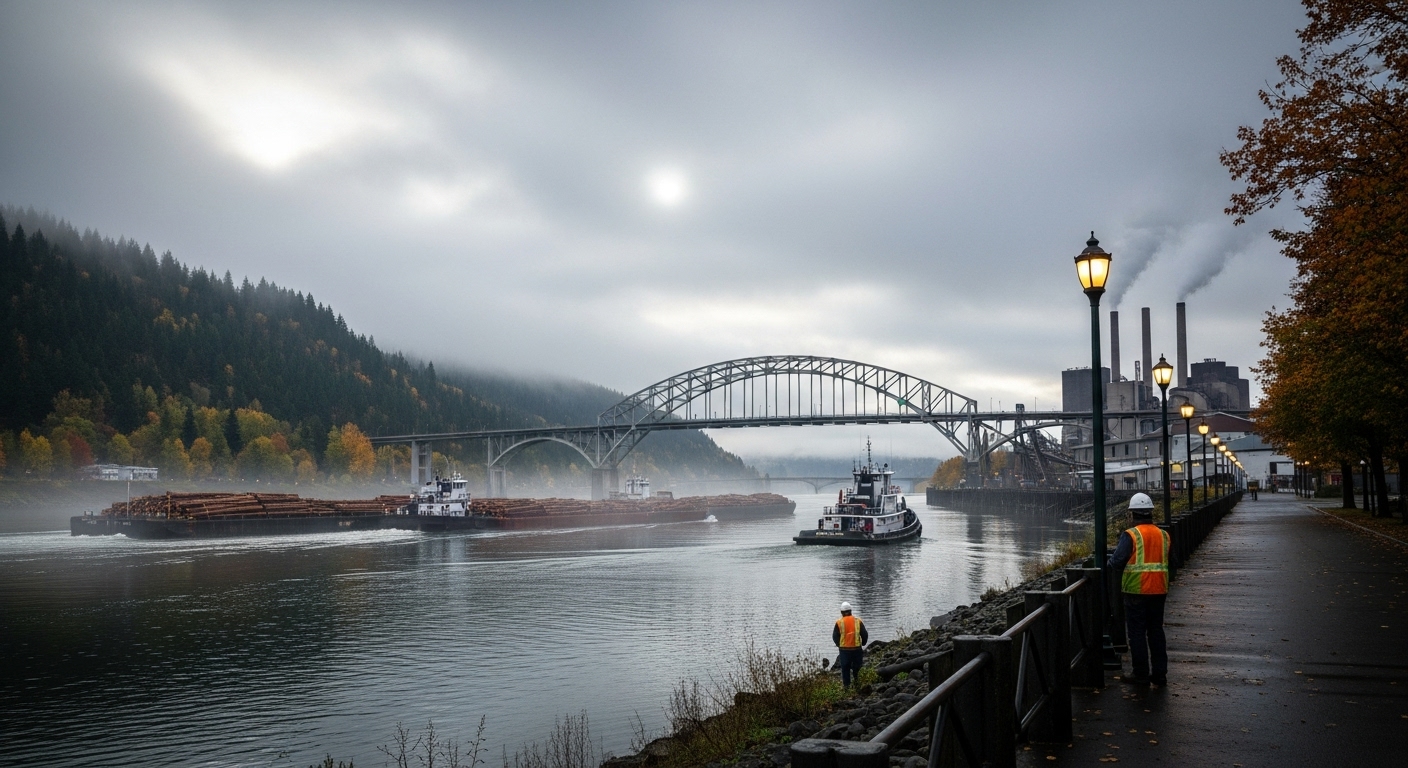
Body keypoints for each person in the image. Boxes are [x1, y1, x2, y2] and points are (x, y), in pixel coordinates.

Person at [1109, 493, 1171, 687]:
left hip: (1136, 590)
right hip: (1159, 590)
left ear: (1131, 514)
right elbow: (1173, 561)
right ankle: (1160, 674)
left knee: (1137, 633)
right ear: (1151, 513)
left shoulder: (1131, 535)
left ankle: (1141, 674)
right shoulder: (1163, 535)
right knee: (1156, 631)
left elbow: (1116, 562)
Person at [833, 601, 868, 689]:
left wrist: (839, 644)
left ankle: (847, 688)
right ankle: (857, 685)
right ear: (851, 611)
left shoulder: (839, 622)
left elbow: (835, 636)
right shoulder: (858, 621)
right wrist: (863, 643)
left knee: (845, 669)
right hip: (857, 649)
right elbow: (864, 634)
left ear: (841, 612)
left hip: (844, 650)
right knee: (857, 668)